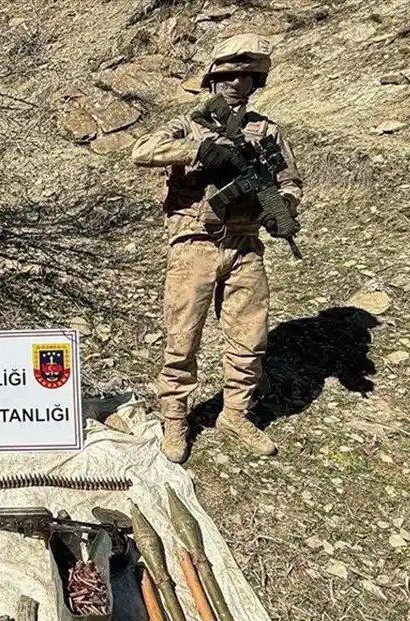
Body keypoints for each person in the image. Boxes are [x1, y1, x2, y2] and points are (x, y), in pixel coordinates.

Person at [130, 33, 303, 463]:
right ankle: (175, 418)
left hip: (246, 244)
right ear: (212, 79)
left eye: (245, 75)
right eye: (226, 74)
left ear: (255, 82)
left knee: (249, 338)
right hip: (194, 243)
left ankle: (236, 413)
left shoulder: (269, 132)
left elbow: (290, 181)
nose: (234, 82)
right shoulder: (188, 124)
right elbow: (142, 150)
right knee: (182, 338)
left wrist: (282, 208)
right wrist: (201, 150)